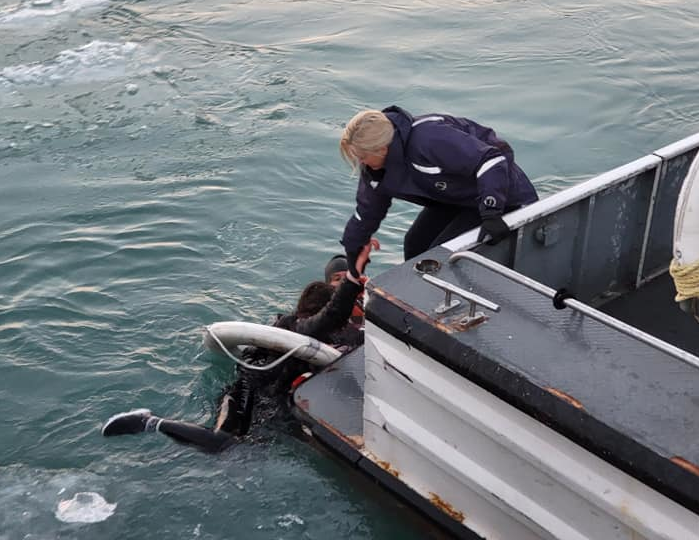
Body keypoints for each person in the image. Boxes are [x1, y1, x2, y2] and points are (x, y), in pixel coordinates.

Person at [101, 247, 374, 452]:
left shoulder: (364, 330)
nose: (344, 285)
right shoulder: (298, 323)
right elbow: (323, 320)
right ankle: (147, 422)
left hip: (284, 400)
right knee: (221, 442)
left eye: (348, 279)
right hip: (251, 389)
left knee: (250, 452)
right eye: (337, 279)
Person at [338, 106, 539, 271]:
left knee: (439, 255)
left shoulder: (429, 138)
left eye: (362, 157)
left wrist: (491, 211)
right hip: (453, 199)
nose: (360, 162)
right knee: (415, 243)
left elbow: (491, 160)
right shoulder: (376, 169)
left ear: (382, 149)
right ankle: (418, 295)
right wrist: (354, 248)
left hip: (497, 195)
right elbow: (367, 211)